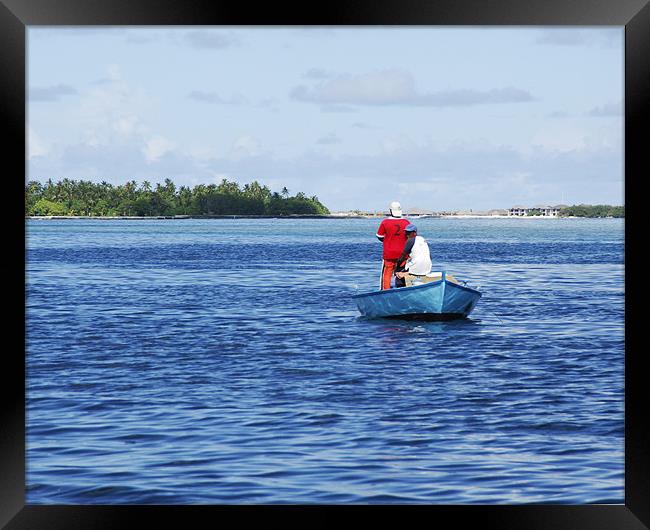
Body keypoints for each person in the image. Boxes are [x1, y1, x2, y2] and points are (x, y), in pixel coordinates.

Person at [376, 201, 410, 290]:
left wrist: (388, 240)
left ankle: (385, 291)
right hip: (403, 254)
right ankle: (401, 290)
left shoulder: (385, 222)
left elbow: (379, 236)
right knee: (401, 273)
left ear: (391, 211)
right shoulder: (406, 222)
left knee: (387, 273)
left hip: (389, 253)